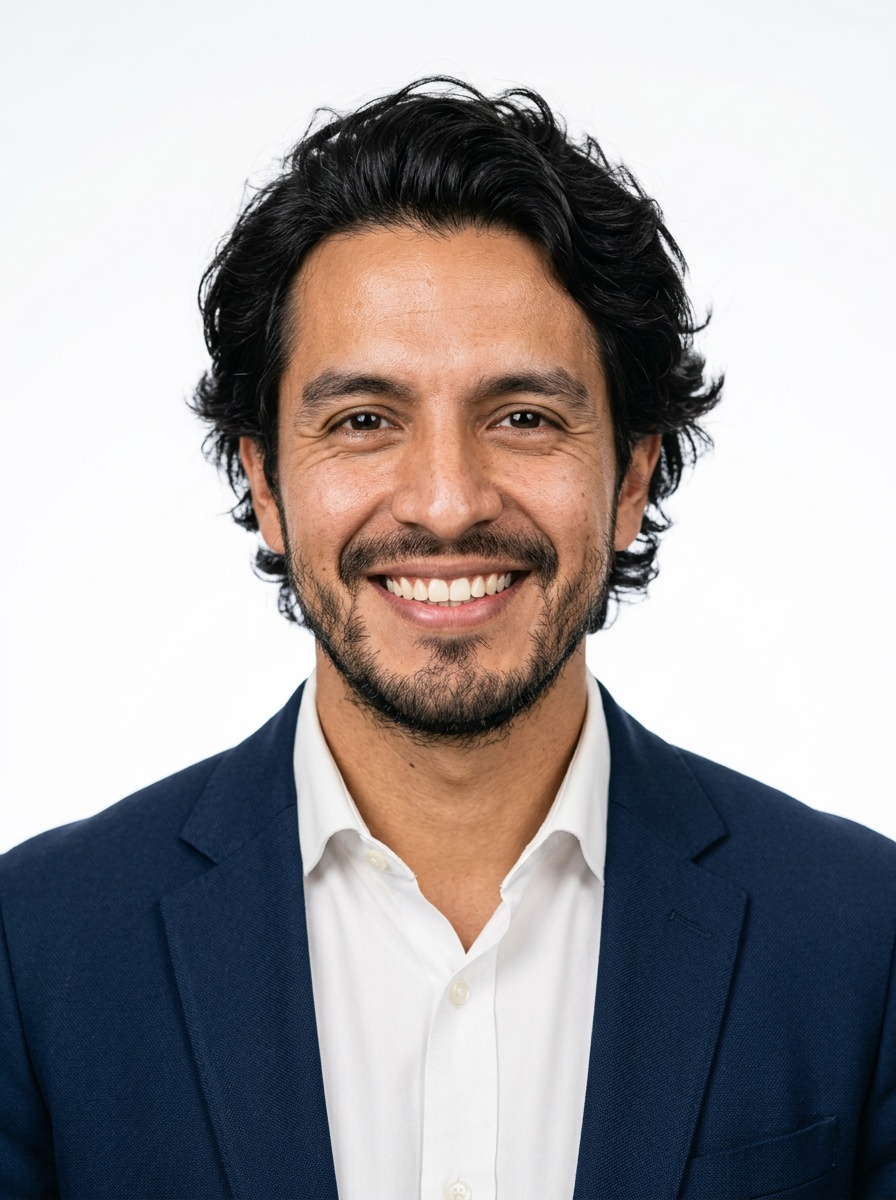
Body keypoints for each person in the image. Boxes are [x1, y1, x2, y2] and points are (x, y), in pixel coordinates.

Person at [0, 78, 893, 1200]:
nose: (444, 501)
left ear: (629, 477)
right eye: (363, 421)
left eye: (521, 417)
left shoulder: (861, 940)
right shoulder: (37, 955)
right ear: (264, 481)